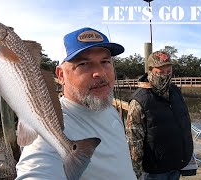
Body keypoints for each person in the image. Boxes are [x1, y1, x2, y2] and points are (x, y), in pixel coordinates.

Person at [16, 27, 137, 180]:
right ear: (61, 75)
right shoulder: (50, 127)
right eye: (84, 64)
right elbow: (36, 170)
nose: (99, 72)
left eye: (105, 61)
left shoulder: (108, 107)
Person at [126, 51, 194, 180]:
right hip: (154, 171)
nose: (166, 75)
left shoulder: (175, 91)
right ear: (150, 70)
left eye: (169, 71)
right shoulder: (139, 101)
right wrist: (135, 172)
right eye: (161, 72)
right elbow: (134, 141)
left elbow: (184, 122)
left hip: (177, 165)